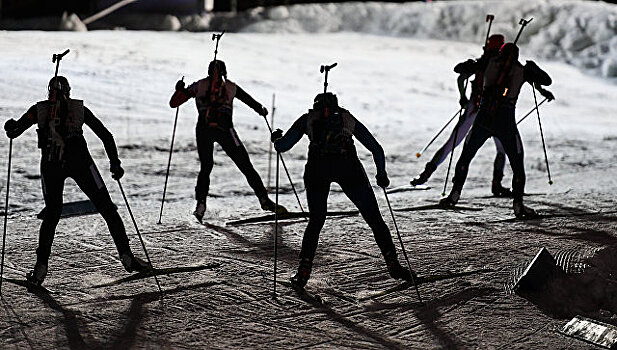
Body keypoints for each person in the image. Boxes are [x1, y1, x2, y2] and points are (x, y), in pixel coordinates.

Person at [3, 76, 150, 286]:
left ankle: (40, 270)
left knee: (52, 214)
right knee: (107, 209)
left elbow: (15, 131)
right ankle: (126, 256)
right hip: (80, 161)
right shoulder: (79, 109)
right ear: (69, 92)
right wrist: (115, 163)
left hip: (52, 164)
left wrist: (11, 126)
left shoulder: (39, 110)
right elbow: (106, 136)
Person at [272, 92, 415, 289]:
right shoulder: (347, 118)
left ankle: (303, 271)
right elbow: (376, 148)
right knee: (373, 217)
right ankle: (392, 263)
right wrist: (381, 174)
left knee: (316, 221)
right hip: (348, 167)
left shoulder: (308, 119)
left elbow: (283, 146)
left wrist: (276, 138)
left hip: (317, 169)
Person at [440, 43, 555, 218]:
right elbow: (547, 80)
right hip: (505, 122)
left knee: (466, 156)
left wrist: (480, 61)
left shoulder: (488, 64)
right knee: (517, 164)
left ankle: (454, 195)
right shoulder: (522, 70)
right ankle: (518, 205)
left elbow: (459, 69)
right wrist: (532, 67)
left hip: (483, 120)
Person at [169, 60, 287, 223]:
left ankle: (201, 204)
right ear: (225, 72)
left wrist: (179, 90)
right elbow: (250, 101)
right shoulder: (231, 87)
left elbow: (174, 103)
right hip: (225, 130)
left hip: (204, 131)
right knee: (245, 165)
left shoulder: (199, 85)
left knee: (206, 166)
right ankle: (264, 200)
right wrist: (261, 110)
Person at [411, 34, 512, 197]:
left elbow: (461, 76)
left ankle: (425, 175)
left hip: (473, 108)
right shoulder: (502, 67)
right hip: (494, 112)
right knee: (501, 149)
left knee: (452, 143)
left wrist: (463, 97)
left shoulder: (480, 63)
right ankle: (496, 184)